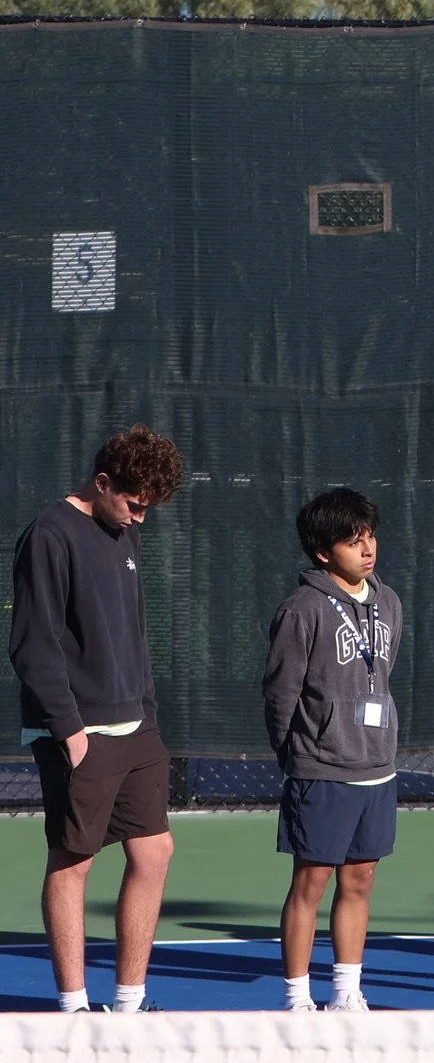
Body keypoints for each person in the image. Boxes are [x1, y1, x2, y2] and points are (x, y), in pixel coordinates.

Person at [8, 425, 184, 1015]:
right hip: (79, 732)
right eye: (134, 504)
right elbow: (34, 645)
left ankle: (130, 1003)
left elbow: (130, 635)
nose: (140, 517)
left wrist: (146, 712)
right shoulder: (50, 534)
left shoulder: (123, 533)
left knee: (154, 851)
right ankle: (75, 1009)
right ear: (103, 482)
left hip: (137, 727)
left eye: (148, 509)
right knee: (73, 860)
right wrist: (71, 732)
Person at [263, 488, 404, 1013]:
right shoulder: (301, 610)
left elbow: (381, 676)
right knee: (310, 883)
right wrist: (299, 753)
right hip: (320, 770)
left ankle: (347, 993)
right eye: (352, 541)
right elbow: (280, 693)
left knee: (361, 880)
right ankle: (297, 999)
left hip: (378, 769)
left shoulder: (389, 601)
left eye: (369, 536)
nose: (367, 549)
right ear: (324, 553)